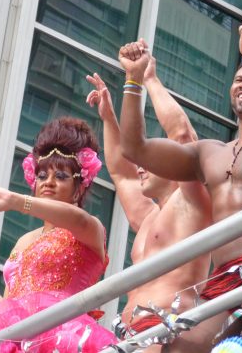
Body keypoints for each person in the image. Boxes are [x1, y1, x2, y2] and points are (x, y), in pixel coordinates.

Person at [119, 28, 242, 347]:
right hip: (220, 280)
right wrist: (134, 79)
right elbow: (134, 148)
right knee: (175, 346)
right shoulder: (207, 153)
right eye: (238, 79)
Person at [85, 50, 215, 352]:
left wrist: (149, 79)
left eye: (151, 160)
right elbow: (122, 172)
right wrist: (109, 118)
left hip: (172, 330)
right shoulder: (146, 216)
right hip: (130, 336)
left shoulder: (191, 202)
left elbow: (183, 136)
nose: (141, 166)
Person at [0, 117, 116, 352]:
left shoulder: (89, 228)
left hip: (63, 338)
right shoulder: (24, 241)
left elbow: (78, 219)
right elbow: (7, 308)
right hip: (16, 342)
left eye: (61, 176)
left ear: (80, 187)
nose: (48, 183)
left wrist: (16, 201)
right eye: (42, 176)